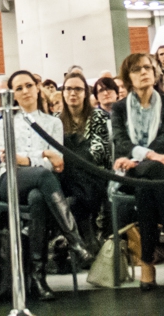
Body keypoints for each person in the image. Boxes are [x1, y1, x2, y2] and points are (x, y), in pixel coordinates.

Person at [0, 71, 91, 301]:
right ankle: (75, 240)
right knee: (41, 174)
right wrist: (40, 156)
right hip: (10, 180)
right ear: (13, 95)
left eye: (29, 85)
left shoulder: (53, 122)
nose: (25, 91)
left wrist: (28, 158)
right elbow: (8, 158)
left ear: (38, 88)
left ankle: (38, 277)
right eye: (18, 88)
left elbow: (57, 161)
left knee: (38, 198)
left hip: (42, 184)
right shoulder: (4, 123)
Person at [111, 53, 164, 290]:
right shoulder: (118, 108)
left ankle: (147, 262)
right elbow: (121, 143)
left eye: (148, 67)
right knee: (152, 172)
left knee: (148, 184)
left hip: (163, 167)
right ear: (128, 77)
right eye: (137, 69)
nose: (144, 72)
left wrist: (146, 158)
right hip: (128, 169)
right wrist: (149, 156)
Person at [58, 71, 102, 254]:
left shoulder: (98, 118)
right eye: (68, 89)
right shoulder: (56, 122)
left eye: (78, 89)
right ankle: (86, 240)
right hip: (66, 178)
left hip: (95, 175)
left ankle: (73, 241)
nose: (73, 93)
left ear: (86, 93)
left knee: (74, 198)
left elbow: (101, 153)